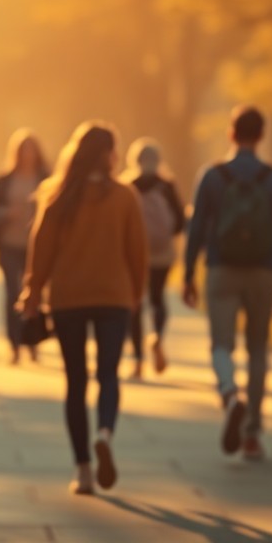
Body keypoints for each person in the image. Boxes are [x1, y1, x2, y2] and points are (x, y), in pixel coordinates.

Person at [18, 122, 147, 495]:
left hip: (68, 299)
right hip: (114, 298)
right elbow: (137, 252)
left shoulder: (58, 196)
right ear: (108, 155)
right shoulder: (124, 197)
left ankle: (83, 470)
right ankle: (104, 432)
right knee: (108, 374)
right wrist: (136, 295)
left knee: (75, 381)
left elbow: (40, 250)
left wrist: (32, 293)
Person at [182, 105, 272, 462]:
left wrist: (187, 274)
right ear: (261, 136)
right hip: (263, 271)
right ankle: (252, 435)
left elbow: (196, 228)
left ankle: (230, 394)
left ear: (231, 134)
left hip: (221, 269)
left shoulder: (212, 176)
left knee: (221, 344)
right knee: (258, 349)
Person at [119, 138, 185, 379]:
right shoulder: (167, 186)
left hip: (133, 253)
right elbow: (179, 222)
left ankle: (137, 360)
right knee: (158, 298)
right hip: (162, 253)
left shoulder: (127, 185)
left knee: (135, 303)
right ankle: (156, 334)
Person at [0, 129, 49, 364]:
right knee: (13, 294)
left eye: (31, 150)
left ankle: (32, 341)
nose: (28, 155)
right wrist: (6, 213)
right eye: (24, 151)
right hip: (9, 245)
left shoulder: (45, 178)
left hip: (36, 247)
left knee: (35, 294)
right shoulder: (5, 179)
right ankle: (14, 343)